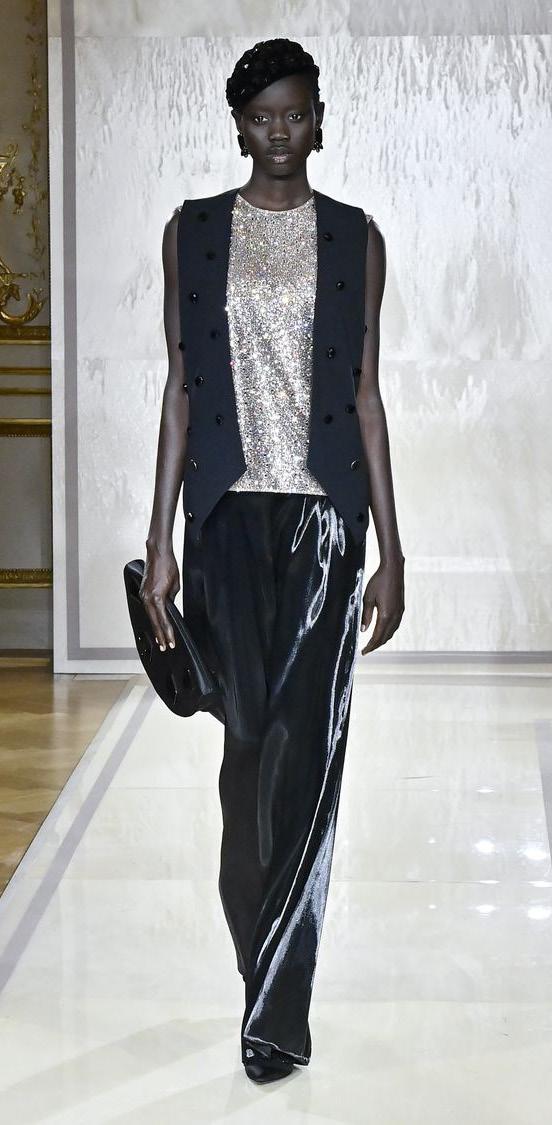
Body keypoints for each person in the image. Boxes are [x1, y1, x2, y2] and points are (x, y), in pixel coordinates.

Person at [141, 38, 405, 1084]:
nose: (281, 133)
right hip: (224, 526)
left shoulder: (355, 238)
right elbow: (180, 389)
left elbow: (368, 396)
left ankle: (277, 1014)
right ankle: (261, 965)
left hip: (327, 525)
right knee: (246, 761)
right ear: (239, 125)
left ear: (320, 120)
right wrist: (158, 540)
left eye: (297, 115)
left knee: (308, 764)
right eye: (263, 118)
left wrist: (392, 548)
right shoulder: (194, 232)